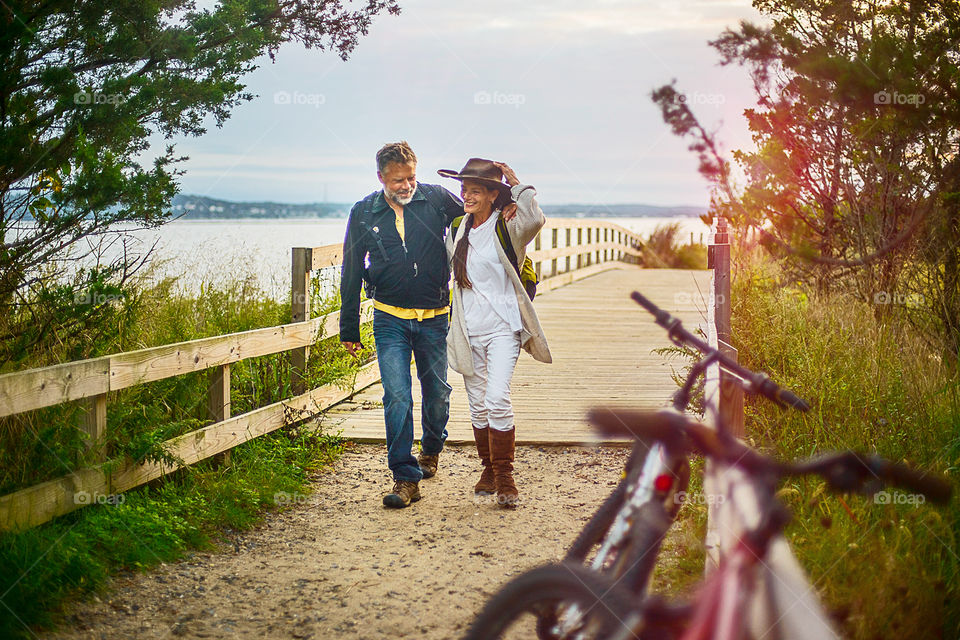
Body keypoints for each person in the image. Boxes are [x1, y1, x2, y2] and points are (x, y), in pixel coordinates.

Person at [339, 141, 464, 508]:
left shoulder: (437, 199)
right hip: (389, 317)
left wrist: (507, 205)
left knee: (437, 393)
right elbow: (350, 269)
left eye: (410, 177)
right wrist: (349, 329)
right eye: (397, 180)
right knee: (396, 396)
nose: (407, 185)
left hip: (435, 317)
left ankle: (431, 447)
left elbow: (476, 224)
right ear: (381, 178)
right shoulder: (364, 212)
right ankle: (405, 478)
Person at [439, 158, 552, 508]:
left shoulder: (509, 226)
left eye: (475, 191)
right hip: (468, 328)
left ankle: (505, 475)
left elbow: (535, 219)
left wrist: (515, 183)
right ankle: (487, 469)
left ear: (492, 195)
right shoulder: (458, 227)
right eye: (464, 190)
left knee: (496, 397)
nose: (467, 196)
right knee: (476, 404)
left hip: (503, 327)